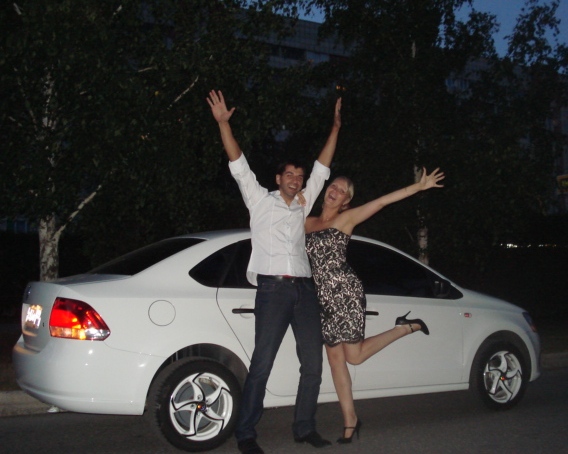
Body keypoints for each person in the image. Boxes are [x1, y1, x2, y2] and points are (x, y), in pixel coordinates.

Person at [207, 90, 342, 454]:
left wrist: (335, 128)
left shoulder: (303, 205)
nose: (296, 179)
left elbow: (322, 168)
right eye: (290, 174)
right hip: (272, 291)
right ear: (278, 177)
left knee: (313, 364)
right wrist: (224, 124)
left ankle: (304, 427)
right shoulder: (259, 200)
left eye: (299, 175)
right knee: (262, 364)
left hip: (304, 291)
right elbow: (238, 162)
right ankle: (246, 434)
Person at [304, 169, 445, 444]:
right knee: (335, 361)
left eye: (343, 191)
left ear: (346, 201)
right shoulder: (307, 222)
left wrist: (417, 187)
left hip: (345, 293)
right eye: (334, 186)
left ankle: (404, 328)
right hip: (323, 298)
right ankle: (350, 421)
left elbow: (381, 202)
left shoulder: (346, 219)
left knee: (354, 357)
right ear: (326, 189)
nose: (336, 191)